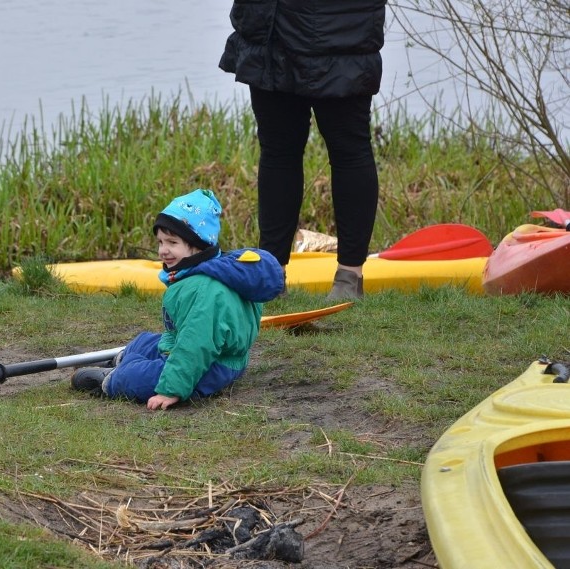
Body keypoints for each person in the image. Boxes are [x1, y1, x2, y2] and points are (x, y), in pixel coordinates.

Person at [219, 0, 387, 300]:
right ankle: (272, 275)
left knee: (348, 148)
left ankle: (350, 276)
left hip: (342, 29)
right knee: (278, 150)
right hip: (268, 26)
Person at [70, 188, 284, 410]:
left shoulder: (205, 291)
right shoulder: (211, 270)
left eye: (172, 243)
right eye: (161, 242)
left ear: (198, 245)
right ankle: (123, 359)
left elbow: (195, 345)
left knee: (136, 378)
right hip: (206, 352)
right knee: (145, 341)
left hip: (213, 366)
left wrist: (171, 389)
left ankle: (114, 378)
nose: (163, 251)